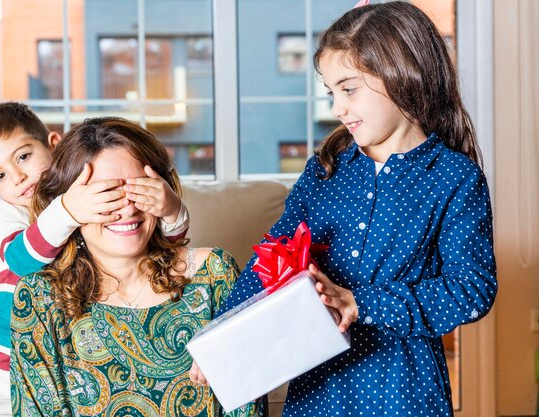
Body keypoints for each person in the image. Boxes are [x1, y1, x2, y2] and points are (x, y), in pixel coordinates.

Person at [195, 2, 497, 416]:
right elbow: (271, 256)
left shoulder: (453, 177)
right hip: (318, 384)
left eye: (349, 88)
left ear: (403, 75)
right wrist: (222, 338)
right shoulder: (326, 167)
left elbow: (472, 289)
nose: (337, 108)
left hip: (403, 390)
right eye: (331, 92)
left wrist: (362, 303)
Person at [10, 117, 265, 417]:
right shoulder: (39, 298)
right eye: (107, 195)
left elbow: (246, 404)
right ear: (70, 208)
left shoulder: (213, 274)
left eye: (139, 191)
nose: (127, 208)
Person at [0, 103, 190, 416]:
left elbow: (159, 244)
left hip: (70, 361)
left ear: (53, 145)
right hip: (7, 371)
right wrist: (68, 211)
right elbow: (19, 261)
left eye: (24, 156)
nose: (17, 177)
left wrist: (171, 208)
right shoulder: (7, 214)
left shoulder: (84, 192)